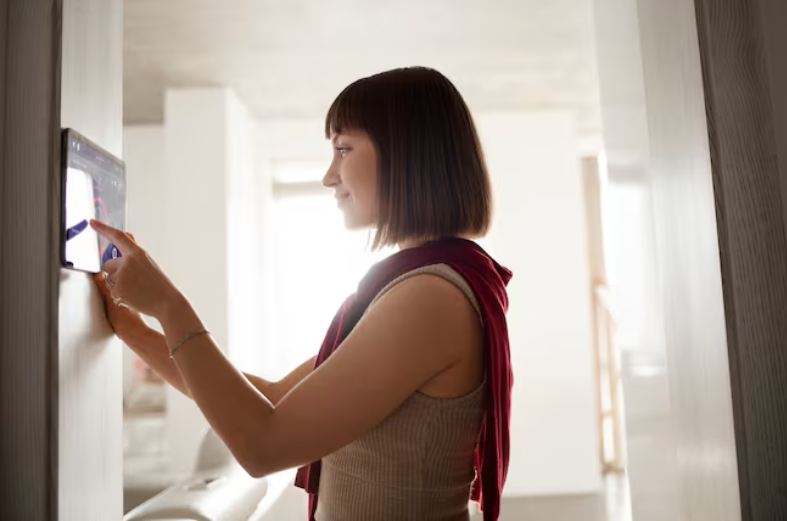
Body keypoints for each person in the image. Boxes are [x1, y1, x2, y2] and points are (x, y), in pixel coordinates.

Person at [93, 67, 513, 521]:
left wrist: (168, 305)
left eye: (343, 149)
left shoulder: (429, 297)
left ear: (406, 156)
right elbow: (271, 399)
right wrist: (131, 326)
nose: (329, 176)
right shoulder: (422, 286)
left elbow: (263, 445)